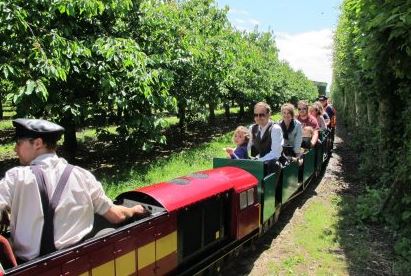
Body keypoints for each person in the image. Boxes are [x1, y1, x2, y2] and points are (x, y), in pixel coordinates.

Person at [0, 119, 147, 262]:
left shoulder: (16, 178)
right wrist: (133, 210)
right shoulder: (82, 176)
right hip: (76, 263)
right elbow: (116, 216)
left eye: (19, 143)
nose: (15, 149)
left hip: (27, 268)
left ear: (38, 143)